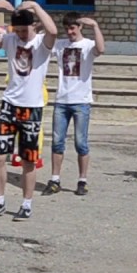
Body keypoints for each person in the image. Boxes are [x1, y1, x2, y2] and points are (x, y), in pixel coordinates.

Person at [0, 0, 56, 221]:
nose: (21, 34)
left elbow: (52, 30)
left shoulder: (42, 43)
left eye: (24, 30)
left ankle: (26, 204)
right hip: (9, 106)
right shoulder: (10, 40)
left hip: (31, 109)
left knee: (28, 160)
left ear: (32, 26)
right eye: (18, 30)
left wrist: (36, 7)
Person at [45, 12, 105, 196]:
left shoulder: (87, 45)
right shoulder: (61, 45)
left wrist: (95, 26)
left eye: (73, 28)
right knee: (57, 142)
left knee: (81, 143)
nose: (70, 32)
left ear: (79, 27)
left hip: (81, 101)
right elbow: (46, 43)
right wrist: (41, 26)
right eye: (67, 28)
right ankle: (55, 179)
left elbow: (100, 49)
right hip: (62, 100)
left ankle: (82, 180)